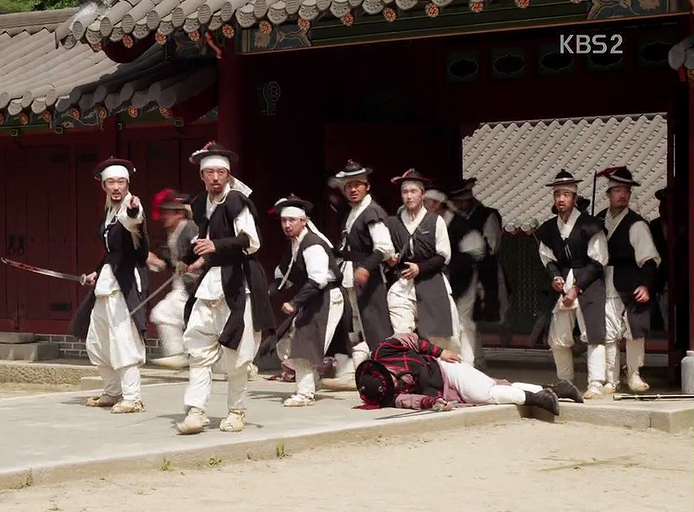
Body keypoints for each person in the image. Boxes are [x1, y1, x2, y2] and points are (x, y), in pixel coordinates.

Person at [176, 142, 275, 435]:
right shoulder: (200, 204)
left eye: (221, 172)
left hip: (238, 281)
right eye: (210, 173)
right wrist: (193, 256)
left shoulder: (235, 201)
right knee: (198, 347)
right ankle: (196, 410)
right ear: (202, 176)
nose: (216, 178)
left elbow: (251, 241)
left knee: (238, 355)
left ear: (228, 175)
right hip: (210, 282)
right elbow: (204, 238)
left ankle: (236, 411)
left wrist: (216, 246)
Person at [71, 157, 149, 414]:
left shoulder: (130, 206)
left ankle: (132, 397)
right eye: (111, 182)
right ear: (104, 185)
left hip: (124, 283)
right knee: (98, 339)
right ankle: (113, 391)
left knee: (123, 339)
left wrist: (134, 211)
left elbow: (134, 222)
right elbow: (111, 252)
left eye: (121, 182)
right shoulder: (109, 211)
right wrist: (97, 272)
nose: (116, 187)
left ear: (127, 184)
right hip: (107, 281)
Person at [355, 332, 583, 413]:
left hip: (445, 368)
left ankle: (537, 399)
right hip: (443, 391)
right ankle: (555, 389)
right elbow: (412, 401)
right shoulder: (390, 396)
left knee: (484, 393)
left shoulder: (384, 350)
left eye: (391, 380)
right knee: (494, 390)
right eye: (391, 388)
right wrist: (433, 403)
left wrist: (440, 351)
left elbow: (411, 339)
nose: (395, 385)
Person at [269, 195, 352, 406]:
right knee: (292, 340)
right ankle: (312, 382)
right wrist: (270, 291)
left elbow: (318, 279)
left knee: (304, 343)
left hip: (327, 297)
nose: (287, 225)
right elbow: (282, 272)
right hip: (314, 298)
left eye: (292, 220)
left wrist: (295, 303)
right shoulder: (295, 244)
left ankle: (305, 393)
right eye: (283, 220)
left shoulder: (312, 244)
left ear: (303, 221)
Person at [536, 170, 609, 399]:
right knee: (558, 338)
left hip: (589, 283)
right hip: (562, 283)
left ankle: (596, 383)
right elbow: (547, 258)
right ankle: (565, 381)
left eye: (566, 195)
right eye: (557, 194)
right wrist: (556, 277)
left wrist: (577, 288)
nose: (561, 199)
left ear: (575, 198)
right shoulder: (549, 228)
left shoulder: (590, 225)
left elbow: (598, 261)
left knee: (593, 334)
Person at [329, 160, 395, 388]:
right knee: (356, 326)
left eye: (357, 185)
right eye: (349, 186)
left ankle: (387, 371)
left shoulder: (372, 211)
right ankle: (363, 370)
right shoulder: (352, 212)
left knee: (375, 325)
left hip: (369, 276)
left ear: (367, 187)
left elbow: (384, 247)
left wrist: (366, 267)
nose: (353, 189)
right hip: (350, 273)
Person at [596, 167, 661, 393]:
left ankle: (633, 373)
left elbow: (650, 259)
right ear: (608, 194)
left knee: (635, 329)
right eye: (617, 191)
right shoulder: (597, 220)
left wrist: (645, 285)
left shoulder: (637, 224)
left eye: (626, 191)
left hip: (632, 281)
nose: (622, 195)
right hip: (605, 280)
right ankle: (611, 378)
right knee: (609, 331)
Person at [386, 169, 460, 350]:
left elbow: (443, 256)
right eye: (405, 192)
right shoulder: (392, 223)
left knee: (441, 341)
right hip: (402, 286)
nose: (409, 196)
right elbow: (385, 251)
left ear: (422, 194)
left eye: (413, 191)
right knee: (402, 337)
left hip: (432, 283)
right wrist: (390, 259)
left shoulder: (435, 221)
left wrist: (420, 268)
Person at [449, 179, 509, 370]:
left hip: (484, 271)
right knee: (464, 317)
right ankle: (475, 358)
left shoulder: (487, 215)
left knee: (478, 315)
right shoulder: (452, 218)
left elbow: (491, 246)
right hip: (459, 273)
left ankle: (474, 359)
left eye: (463, 200)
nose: (460, 205)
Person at [423, 188, 486, 364]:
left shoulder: (460, 225)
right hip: (439, 280)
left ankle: (468, 363)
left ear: (437, 205)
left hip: (464, 279)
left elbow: (477, 251)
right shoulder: (427, 224)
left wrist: (451, 266)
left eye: (426, 203)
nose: (423, 207)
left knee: (463, 321)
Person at [146, 188, 199, 370]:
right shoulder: (175, 232)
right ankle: (177, 354)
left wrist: (192, 269)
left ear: (179, 213)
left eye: (168, 212)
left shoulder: (190, 229)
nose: (163, 216)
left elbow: (200, 256)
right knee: (164, 313)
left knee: (166, 313)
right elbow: (173, 262)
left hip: (195, 285)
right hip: (182, 285)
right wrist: (156, 261)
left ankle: (178, 354)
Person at [648, 188, 668, 331]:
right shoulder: (653, 226)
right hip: (660, 279)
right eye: (662, 203)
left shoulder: (685, 224)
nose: (663, 207)